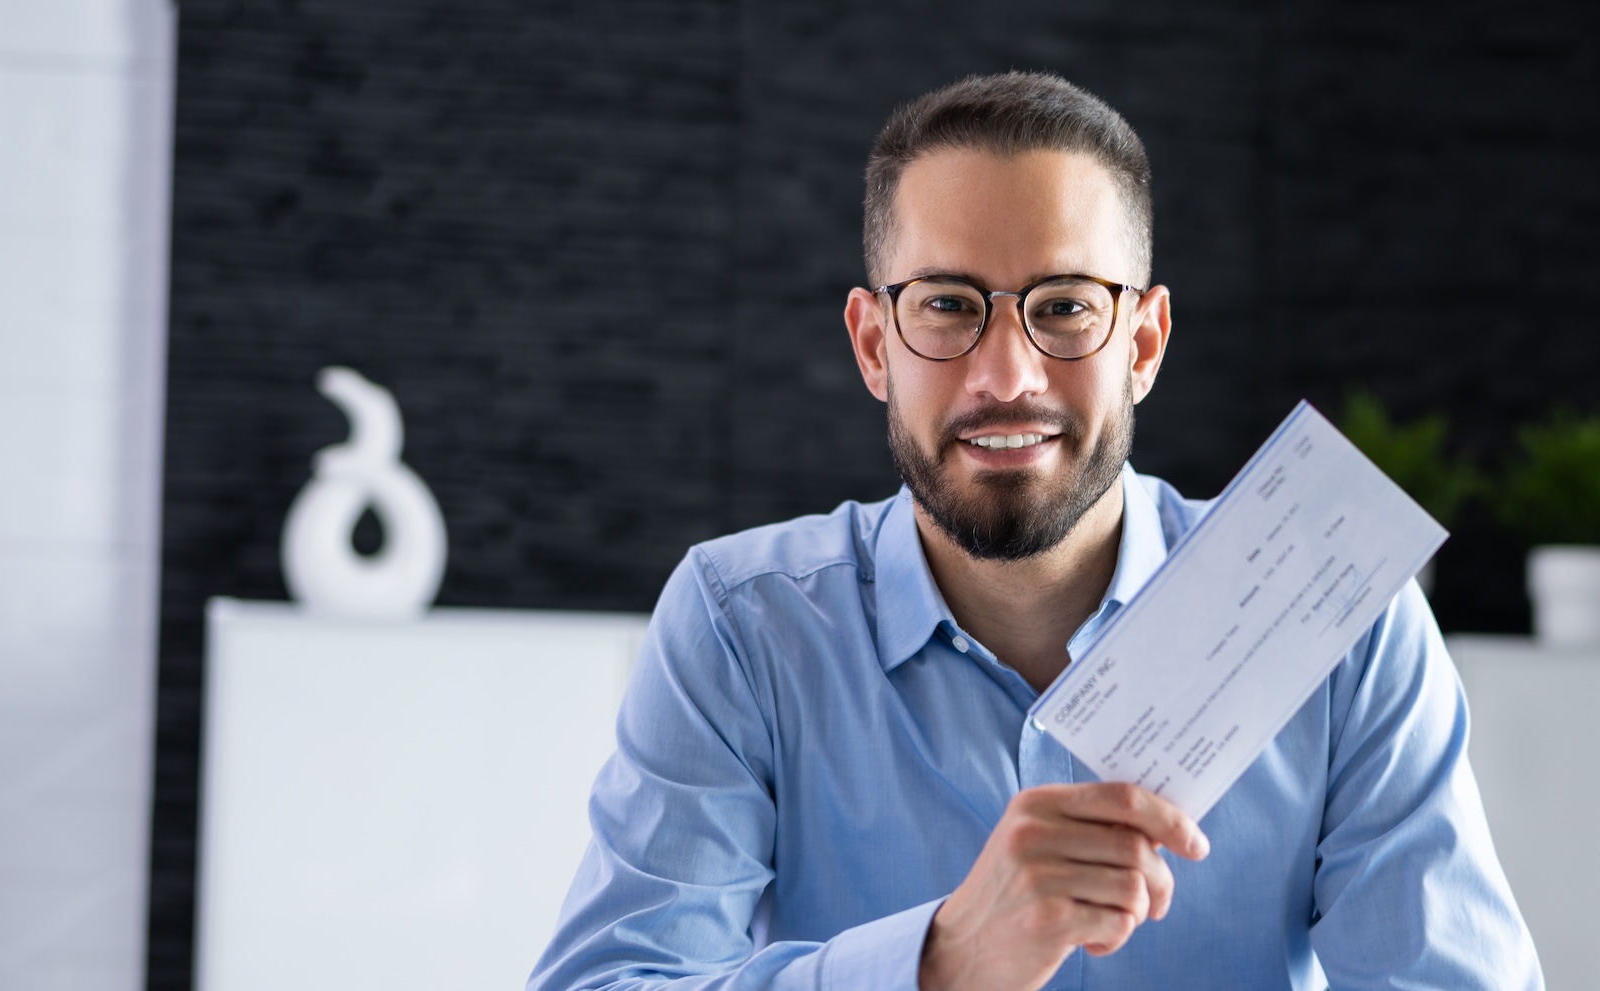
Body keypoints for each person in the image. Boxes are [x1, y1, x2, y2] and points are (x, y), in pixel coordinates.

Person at [528, 71, 1541, 991]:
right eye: (948, 305)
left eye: (1063, 308)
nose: (1006, 376)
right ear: (874, 345)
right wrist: (940, 962)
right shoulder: (741, 629)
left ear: (1142, 344)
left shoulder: (1342, 626)